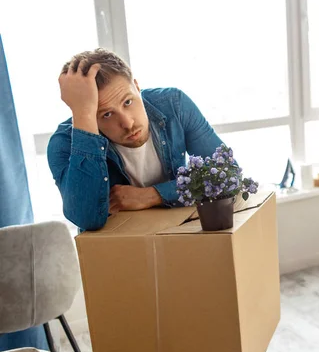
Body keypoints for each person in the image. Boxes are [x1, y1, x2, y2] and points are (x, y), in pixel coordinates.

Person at [47, 48, 225, 231]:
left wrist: (152, 195)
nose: (127, 123)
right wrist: (84, 115)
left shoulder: (174, 105)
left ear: (137, 86)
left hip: (177, 235)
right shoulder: (63, 143)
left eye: (127, 102)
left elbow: (227, 174)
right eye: (107, 114)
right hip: (116, 250)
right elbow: (87, 218)